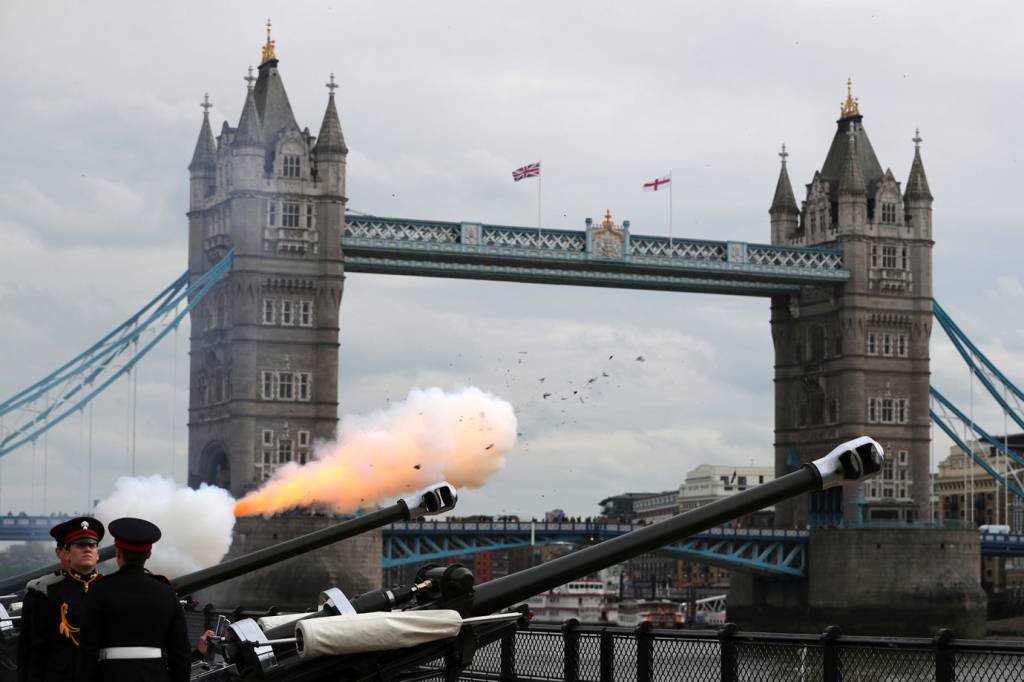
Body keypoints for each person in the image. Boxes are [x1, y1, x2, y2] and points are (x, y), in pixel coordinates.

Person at [75, 517, 189, 682]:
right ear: (148, 554)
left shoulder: (99, 590)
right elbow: (180, 654)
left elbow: (88, 651)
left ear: (117, 552)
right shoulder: (166, 591)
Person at [20, 517, 104, 682]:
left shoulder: (109, 588)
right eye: (80, 545)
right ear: (65, 553)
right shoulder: (45, 591)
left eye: (92, 545)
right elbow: (33, 648)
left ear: (98, 554)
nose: (87, 549)